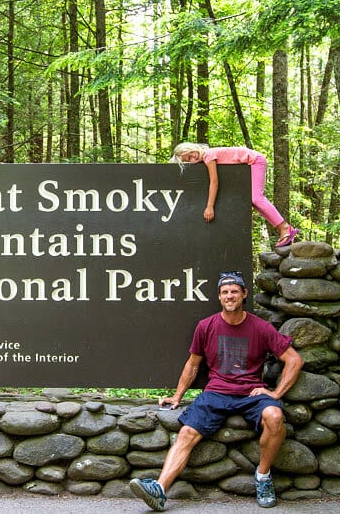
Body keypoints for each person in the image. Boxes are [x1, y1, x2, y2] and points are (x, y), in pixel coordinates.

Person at [129, 271, 303, 511]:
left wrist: (275, 394)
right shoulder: (206, 326)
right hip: (216, 393)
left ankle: (262, 477)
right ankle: (160, 489)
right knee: (187, 432)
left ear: (244, 294)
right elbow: (193, 364)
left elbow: (294, 360)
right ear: (219, 297)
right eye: (225, 292)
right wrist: (177, 396)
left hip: (251, 394)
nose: (229, 296)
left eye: (234, 291)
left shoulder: (261, 328)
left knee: (275, 417)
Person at [170, 143, 299, 247]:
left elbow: (214, 182)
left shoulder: (209, 155)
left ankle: (284, 227)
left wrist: (209, 206)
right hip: (251, 163)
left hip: (255, 161)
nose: (193, 158)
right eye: (189, 160)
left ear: (191, 148)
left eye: (190, 154)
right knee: (253, 201)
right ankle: (282, 227)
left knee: (256, 198)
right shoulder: (206, 158)